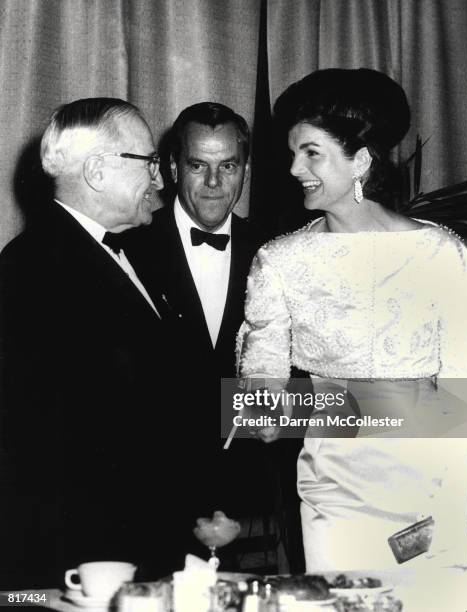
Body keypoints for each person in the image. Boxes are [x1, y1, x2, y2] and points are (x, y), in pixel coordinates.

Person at [238, 68, 467, 572]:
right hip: (336, 498)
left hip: (438, 492)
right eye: (293, 152)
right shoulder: (280, 261)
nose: (295, 167)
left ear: (361, 160)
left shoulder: (441, 254)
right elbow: (260, 408)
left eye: (312, 152)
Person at [0, 98, 177, 587]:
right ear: (98, 171)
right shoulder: (34, 271)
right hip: (91, 557)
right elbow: (52, 448)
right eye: (150, 163)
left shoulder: (132, 251)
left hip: (134, 541)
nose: (161, 180)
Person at [124, 102, 283, 564]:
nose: (214, 184)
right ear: (173, 168)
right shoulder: (127, 250)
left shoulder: (275, 253)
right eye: (198, 165)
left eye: (228, 166)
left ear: (245, 169)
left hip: (250, 515)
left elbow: (288, 387)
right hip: (146, 509)